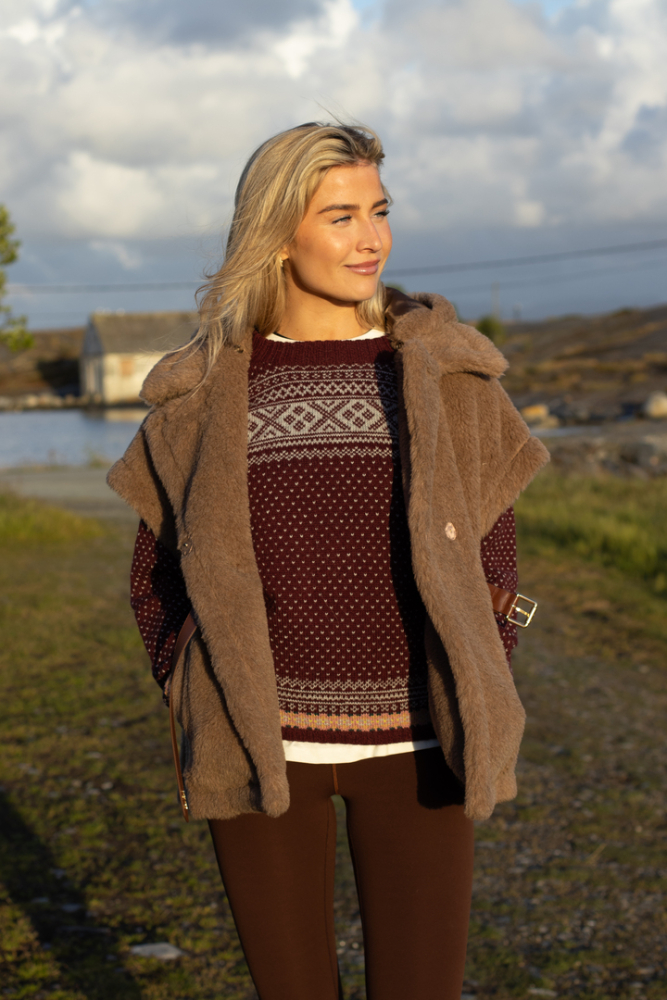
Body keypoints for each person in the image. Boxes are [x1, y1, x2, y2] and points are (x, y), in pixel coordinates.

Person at [108, 121, 549, 1000]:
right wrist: (194, 689)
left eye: (378, 211)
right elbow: (155, 574)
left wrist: (476, 672)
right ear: (277, 234)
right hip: (259, 746)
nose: (370, 237)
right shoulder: (205, 393)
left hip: (421, 747)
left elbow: (491, 552)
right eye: (340, 216)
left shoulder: (446, 377)